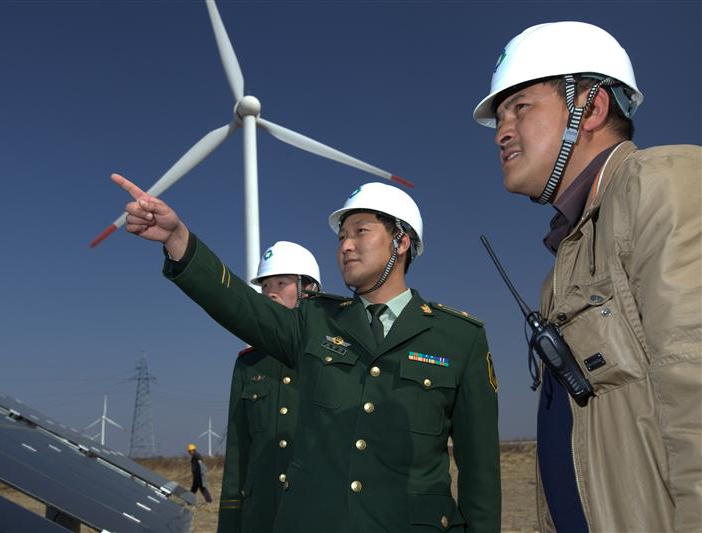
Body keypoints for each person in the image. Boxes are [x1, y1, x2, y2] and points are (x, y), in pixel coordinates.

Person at [112, 175, 501, 532]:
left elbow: (480, 477)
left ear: (401, 242)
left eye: (359, 232)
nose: (345, 245)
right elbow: (239, 304)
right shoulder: (313, 321)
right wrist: (178, 239)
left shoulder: (459, 339)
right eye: (341, 237)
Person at [473, 21, 701, 533]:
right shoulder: (565, 263)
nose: (502, 131)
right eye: (500, 116)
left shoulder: (661, 187)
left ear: (591, 108)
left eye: (520, 107)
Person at [218, 241, 322, 533]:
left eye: (281, 282)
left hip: (316, 514)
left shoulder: (333, 357)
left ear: (309, 289)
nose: (270, 292)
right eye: (265, 286)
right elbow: (239, 451)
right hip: (261, 515)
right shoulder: (249, 364)